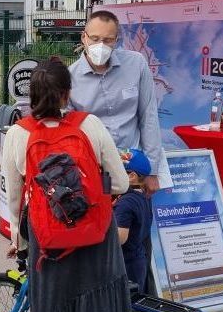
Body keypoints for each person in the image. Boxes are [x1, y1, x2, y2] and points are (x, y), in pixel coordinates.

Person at [1, 59, 139, 312]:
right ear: (67, 93)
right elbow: (119, 183)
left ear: (30, 96)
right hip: (97, 241)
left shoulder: (18, 134)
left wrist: (17, 242)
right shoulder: (89, 125)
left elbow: (13, 197)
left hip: (49, 245)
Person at [69, 10, 167, 196]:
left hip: (134, 171)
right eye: (95, 38)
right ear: (84, 37)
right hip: (94, 171)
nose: (101, 45)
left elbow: (149, 116)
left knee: (137, 221)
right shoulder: (69, 78)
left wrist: (152, 170)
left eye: (107, 40)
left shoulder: (136, 64)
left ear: (117, 40)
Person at [115, 148, 154, 294]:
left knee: (127, 307)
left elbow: (120, 238)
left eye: (115, 172)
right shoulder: (144, 196)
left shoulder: (125, 203)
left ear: (131, 176)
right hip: (139, 258)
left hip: (127, 264)